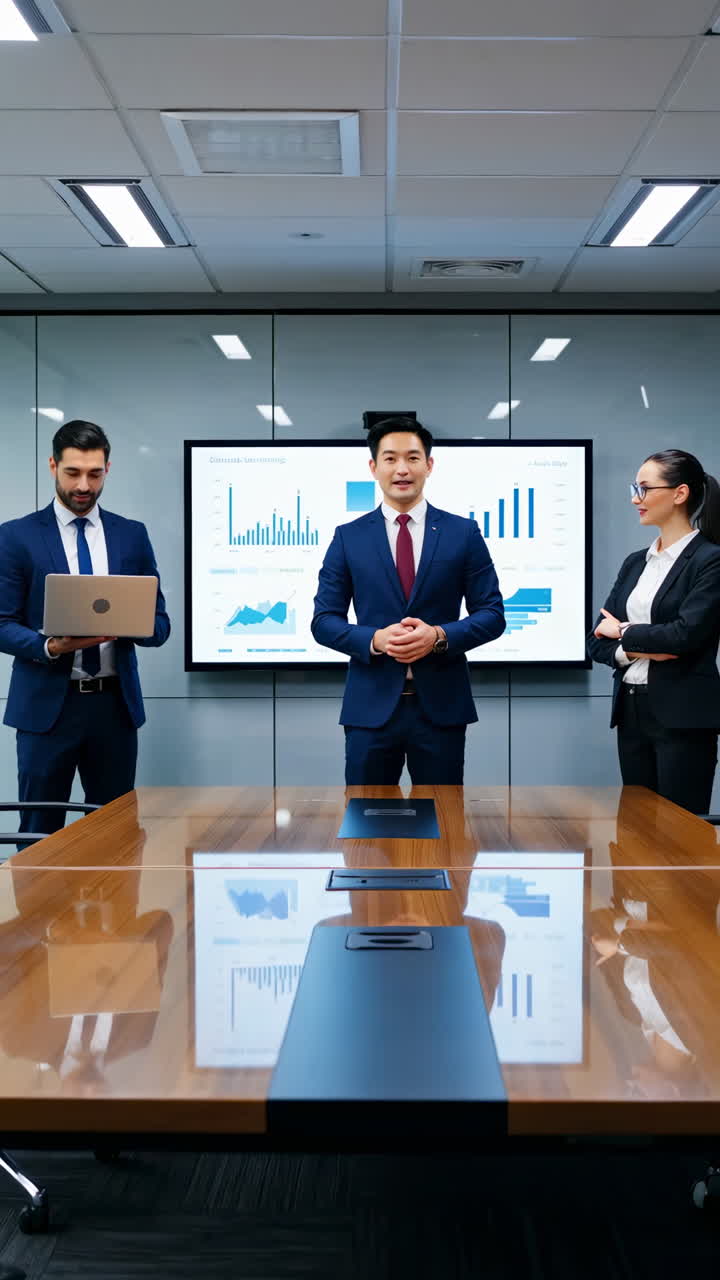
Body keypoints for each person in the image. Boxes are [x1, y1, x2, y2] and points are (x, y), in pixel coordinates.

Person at [0, 419, 170, 840]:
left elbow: (160, 625)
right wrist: (50, 646)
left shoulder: (131, 536)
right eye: (73, 472)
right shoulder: (16, 537)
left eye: (95, 474)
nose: (84, 485)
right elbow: (1, 625)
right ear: (53, 465)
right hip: (46, 712)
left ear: (107, 470)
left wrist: (130, 625)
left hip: (113, 709)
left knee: (116, 837)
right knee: (40, 835)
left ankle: (118, 911)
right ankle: (41, 910)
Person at [311, 417, 505, 784]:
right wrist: (374, 640)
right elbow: (323, 622)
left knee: (444, 827)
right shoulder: (348, 538)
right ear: (374, 467)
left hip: (442, 707)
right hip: (369, 709)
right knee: (366, 830)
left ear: (429, 465)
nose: (402, 469)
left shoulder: (463, 533)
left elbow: (492, 614)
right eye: (390, 459)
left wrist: (439, 636)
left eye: (413, 458)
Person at [587, 448, 720, 814]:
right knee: (636, 832)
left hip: (683, 714)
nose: (635, 499)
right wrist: (638, 646)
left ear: (680, 493)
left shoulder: (711, 560)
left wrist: (624, 632)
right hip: (631, 708)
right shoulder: (635, 562)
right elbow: (594, 640)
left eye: (644, 488)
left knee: (680, 835)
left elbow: (685, 637)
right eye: (635, 487)